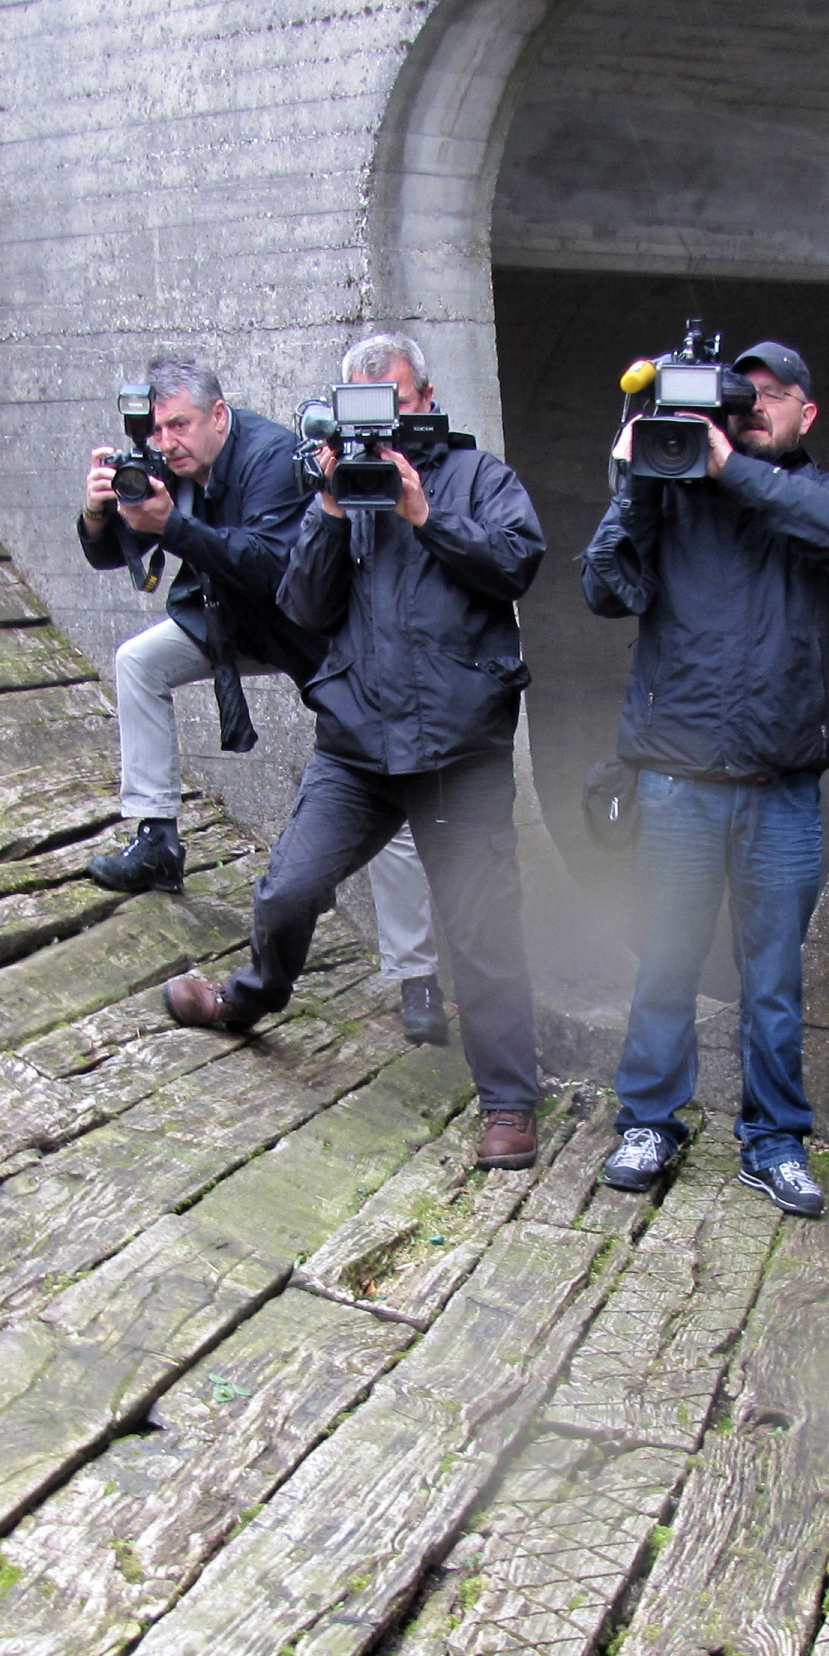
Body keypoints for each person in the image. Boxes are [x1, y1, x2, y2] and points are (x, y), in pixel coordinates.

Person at [161, 332, 550, 1168]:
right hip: (359, 748)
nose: (388, 425)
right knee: (288, 888)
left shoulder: (480, 478)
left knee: (482, 930)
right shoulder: (333, 488)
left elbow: (518, 565)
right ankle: (249, 997)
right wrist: (336, 509)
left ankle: (510, 1105)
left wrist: (424, 514)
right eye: (367, 409)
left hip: (459, 751)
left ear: (428, 397)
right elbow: (300, 602)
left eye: (399, 404)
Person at [581, 340, 829, 1219]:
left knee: (774, 978)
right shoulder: (675, 500)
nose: (750, 412)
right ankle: (650, 1122)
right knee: (667, 961)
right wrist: (641, 470)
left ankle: (775, 1138)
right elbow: (602, 589)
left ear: (806, 413)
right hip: (678, 781)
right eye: (735, 399)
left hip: (781, 786)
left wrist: (726, 465)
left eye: (770, 398)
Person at [76, 352, 451, 1046]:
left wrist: (174, 527)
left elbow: (273, 564)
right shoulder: (172, 465)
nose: (168, 442)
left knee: (387, 794)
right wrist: (102, 514)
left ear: (219, 415)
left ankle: (416, 975)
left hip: (317, 638)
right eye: (158, 429)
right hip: (235, 627)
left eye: (181, 425)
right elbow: (120, 552)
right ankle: (157, 838)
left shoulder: (275, 457)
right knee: (139, 661)